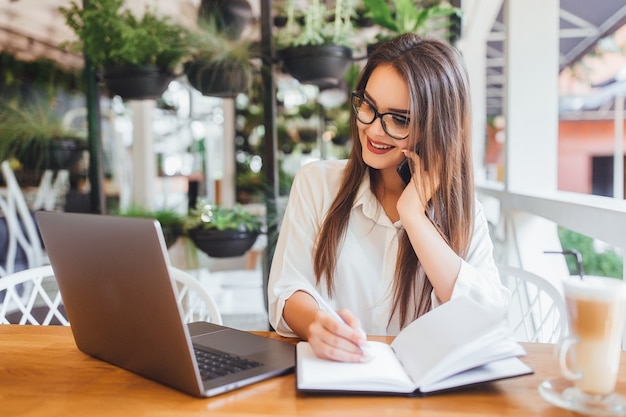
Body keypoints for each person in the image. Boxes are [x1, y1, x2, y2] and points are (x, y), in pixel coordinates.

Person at [267, 33, 509, 363]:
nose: (373, 130)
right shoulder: (317, 183)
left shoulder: (464, 214)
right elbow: (287, 288)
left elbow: (487, 322)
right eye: (367, 106)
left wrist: (413, 215)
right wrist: (316, 325)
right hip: (335, 381)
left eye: (399, 119)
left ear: (437, 128)